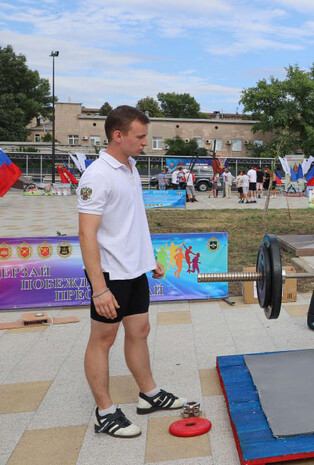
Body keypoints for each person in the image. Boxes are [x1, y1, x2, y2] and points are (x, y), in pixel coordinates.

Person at [77, 105, 184, 438]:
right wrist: (99, 288)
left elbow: (133, 219)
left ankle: (148, 394)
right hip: (108, 275)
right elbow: (86, 234)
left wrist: (148, 256)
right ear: (117, 135)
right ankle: (105, 412)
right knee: (102, 340)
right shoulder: (97, 175)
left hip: (134, 269)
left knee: (140, 330)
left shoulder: (131, 167)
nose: (145, 142)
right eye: (140, 136)